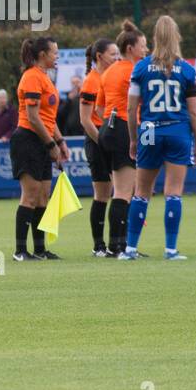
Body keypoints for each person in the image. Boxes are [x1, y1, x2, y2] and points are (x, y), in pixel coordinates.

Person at [121, 16, 196, 261]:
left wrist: (133, 140)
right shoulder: (186, 69)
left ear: (154, 38)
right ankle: (170, 249)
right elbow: (194, 111)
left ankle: (130, 248)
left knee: (142, 191)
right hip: (177, 129)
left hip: (150, 129)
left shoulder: (141, 67)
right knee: (173, 191)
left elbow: (131, 107)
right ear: (177, 36)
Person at [10, 36, 69, 260]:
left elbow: (48, 118)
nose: (57, 56)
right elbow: (33, 118)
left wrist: (60, 142)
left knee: (44, 196)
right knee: (30, 196)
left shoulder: (44, 77)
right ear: (42, 55)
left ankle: (40, 249)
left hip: (42, 140)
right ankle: (20, 250)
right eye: (54, 52)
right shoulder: (32, 77)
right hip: (28, 140)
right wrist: (51, 143)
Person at [97, 21, 148, 255]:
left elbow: (99, 108)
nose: (146, 50)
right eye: (143, 46)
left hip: (108, 127)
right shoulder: (133, 70)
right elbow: (138, 103)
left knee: (120, 189)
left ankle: (118, 244)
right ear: (130, 48)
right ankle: (120, 246)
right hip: (123, 129)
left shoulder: (108, 72)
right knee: (124, 192)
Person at [79, 38, 119, 256]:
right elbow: (85, 120)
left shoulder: (112, 78)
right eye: (113, 54)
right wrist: (103, 143)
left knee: (120, 192)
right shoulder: (90, 81)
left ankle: (119, 244)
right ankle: (99, 246)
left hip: (112, 141)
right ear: (100, 56)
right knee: (102, 194)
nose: (117, 58)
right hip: (98, 143)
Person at [57, 74, 83, 139]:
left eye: (77, 82)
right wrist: (68, 100)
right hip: (70, 132)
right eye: (73, 83)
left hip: (83, 131)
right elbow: (60, 113)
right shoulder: (66, 98)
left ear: (82, 82)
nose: (75, 85)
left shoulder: (86, 96)